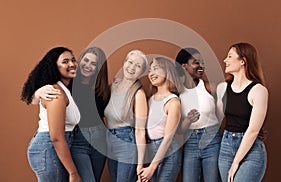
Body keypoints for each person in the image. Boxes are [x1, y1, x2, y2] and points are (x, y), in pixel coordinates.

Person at [31, 47, 110, 182]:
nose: (88, 65)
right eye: (85, 60)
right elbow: (36, 100)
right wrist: (38, 92)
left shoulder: (103, 88)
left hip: (99, 140)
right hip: (78, 138)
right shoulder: (69, 83)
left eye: (94, 63)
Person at [21, 47, 81, 182]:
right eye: (65, 62)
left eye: (73, 60)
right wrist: (73, 172)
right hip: (49, 148)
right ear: (54, 67)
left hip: (55, 148)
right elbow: (56, 137)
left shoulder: (65, 89)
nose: (71, 64)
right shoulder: (56, 93)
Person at [217, 42, 268, 182]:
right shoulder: (223, 88)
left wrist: (236, 162)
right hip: (226, 146)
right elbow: (217, 118)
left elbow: (253, 130)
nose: (224, 60)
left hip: (250, 149)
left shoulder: (259, 91)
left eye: (229, 56)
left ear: (242, 61)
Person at [175, 48, 222, 182]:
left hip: (212, 141)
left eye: (202, 62)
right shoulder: (178, 93)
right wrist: (188, 120)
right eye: (196, 62)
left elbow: (225, 115)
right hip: (190, 142)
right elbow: (179, 130)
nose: (201, 66)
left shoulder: (209, 87)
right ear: (184, 66)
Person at [104, 50, 148, 182]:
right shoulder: (112, 87)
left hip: (127, 143)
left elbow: (140, 131)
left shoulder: (138, 94)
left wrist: (140, 165)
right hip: (109, 142)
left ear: (142, 72)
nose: (132, 67)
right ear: (124, 63)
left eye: (138, 66)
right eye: (130, 62)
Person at [138, 57, 183, 182]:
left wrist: (151, 168)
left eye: (156, 69)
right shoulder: (151, 99)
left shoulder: (173, 102)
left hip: (168, 150)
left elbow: (168, 139)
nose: (151, 74)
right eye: (150, 70)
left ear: (167, 71)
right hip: (151, 148)